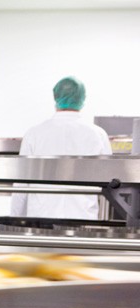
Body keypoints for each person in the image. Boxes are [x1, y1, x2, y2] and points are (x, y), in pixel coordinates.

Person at [10, 76, 112, 220]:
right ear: (82, 98)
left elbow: (20, 183)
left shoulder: (34, 133)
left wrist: (15, 219)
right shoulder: (98, 134)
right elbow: (108, 181)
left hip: (41, 220)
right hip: (83, 219)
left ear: (55, 97)